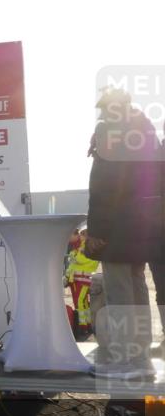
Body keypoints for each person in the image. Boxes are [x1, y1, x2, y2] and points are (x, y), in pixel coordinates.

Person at [85, 87, 163, 374]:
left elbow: (105, 186)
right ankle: (141, 355)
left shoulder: (110, 131)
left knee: (119, 293)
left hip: (116, 226)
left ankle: (123, 359)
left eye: (105, 108)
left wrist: (96, 230)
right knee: (137, 285)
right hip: (142, 224)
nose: (102, 113)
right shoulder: (145, 129)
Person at [65, 228, 100, 339]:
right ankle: (86, 324)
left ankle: (83, 326)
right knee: (81, 303)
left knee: (80, 302)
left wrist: (74, 255)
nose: (80, 237)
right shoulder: (78, 246)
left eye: (82, 235)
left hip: (83, 279)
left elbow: (80, 259)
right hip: (76, 279)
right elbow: (73, 264)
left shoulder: (85, 247)